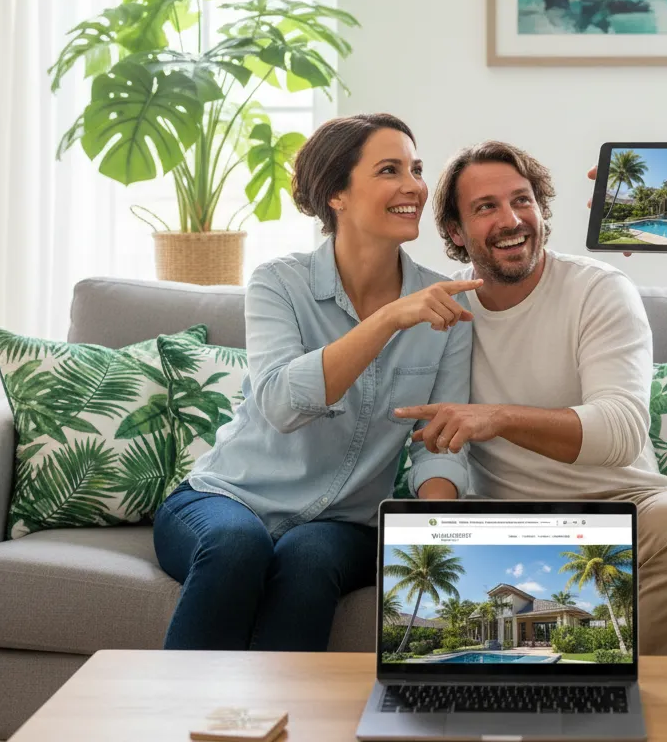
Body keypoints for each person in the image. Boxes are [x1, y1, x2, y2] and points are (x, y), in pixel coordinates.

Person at [153, 114, 482, 650]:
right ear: (336, 194)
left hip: (345, 522)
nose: (414, 187)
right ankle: (184, 705)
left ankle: (286, 706)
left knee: (308, 558)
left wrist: (434, 528)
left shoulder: (446, 304)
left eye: (416, 170)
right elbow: (281, 404)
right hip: (229, 498)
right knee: (237, 547)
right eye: (389, 170)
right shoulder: (278, 283)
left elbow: (437, 441)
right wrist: (389, 319)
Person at [394, 141, 667, 656]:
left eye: (521, 200)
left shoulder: (598, 289)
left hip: (622, 501)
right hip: (503, 514)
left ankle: (653, 705)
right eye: (486, 207)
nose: (511, 220)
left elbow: (620, 432)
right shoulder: (442, 307)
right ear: (456, 231)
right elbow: (427, 439)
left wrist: (497, 418)